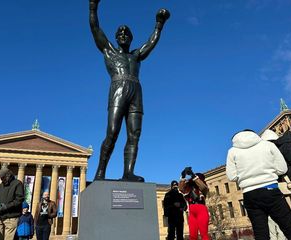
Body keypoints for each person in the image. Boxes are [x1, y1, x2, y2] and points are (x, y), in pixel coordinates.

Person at [89, 0, 170, 182]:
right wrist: (93, 6)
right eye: (120, 33)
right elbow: (95, 28)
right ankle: (100, 173)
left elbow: (151, 41)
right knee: (112, 132)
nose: (123, 35)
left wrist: (159, 23)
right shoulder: (109, 51)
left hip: (136, 92)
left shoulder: (136, 55)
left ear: (131, 38)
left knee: (134, 135)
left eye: (127, 33)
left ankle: (128, 173)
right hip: (118, 88)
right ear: (116, 37)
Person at [226, 129, 291, 240]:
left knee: (261, 234)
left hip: (249, 194)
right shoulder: (267, 145)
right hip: (271, 189)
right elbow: (282, 168)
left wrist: (245, 177)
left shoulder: (232, 151)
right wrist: (269, 173)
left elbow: (231, 176)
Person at [178, 167, 210, 240]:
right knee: (192, 235)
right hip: (192, 212)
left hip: (201, 210)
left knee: (204, 234)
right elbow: (181, 188)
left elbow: (203, 187)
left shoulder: (203, 188)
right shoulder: (188, 188)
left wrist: (193, 175)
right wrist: (183, 176)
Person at [0, 167, 25, 240]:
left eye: (3, 177)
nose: (1, 179)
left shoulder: (17, 183)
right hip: (1, 217)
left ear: (8, 175)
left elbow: (19, 199)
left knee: (9, 238)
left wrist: (6, 206)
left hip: (12, 217)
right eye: (1, 178)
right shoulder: (0, 186)